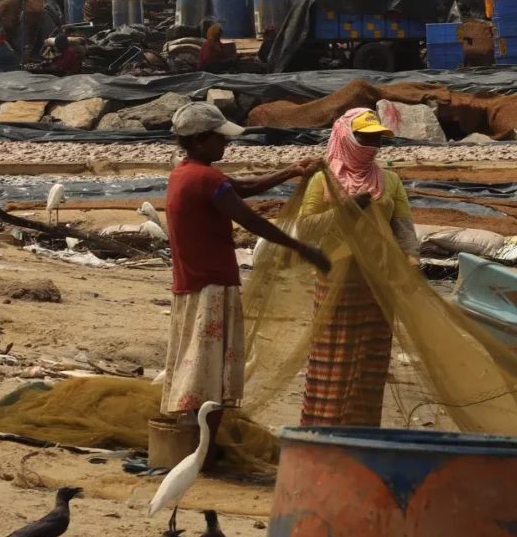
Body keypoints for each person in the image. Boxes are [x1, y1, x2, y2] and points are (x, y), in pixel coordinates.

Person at [161, 102, 330, 467]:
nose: (227, 146)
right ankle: (203, 455)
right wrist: (302, 248)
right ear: (202, 140)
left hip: (189, 285)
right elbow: (249, 219)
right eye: (221, 139)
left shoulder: (186, 173)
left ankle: (196, 448)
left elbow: (242, 187)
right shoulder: (207, 179)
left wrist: (290, 172)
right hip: (213, 288)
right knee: (214, 377)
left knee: (195, 371)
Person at [296, 107, 420, 427]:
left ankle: (361, 430)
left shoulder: (389, 181)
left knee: (369, 362)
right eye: (365, 138)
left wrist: (412, 263)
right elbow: (307, 228)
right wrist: (347, 209)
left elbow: (403, 230)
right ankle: (324, 429)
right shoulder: (322, 182)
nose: (372, 146)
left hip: (379, 286)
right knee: (334, 360)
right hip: (338, 285)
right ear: (346, 138)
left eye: (377, 140)